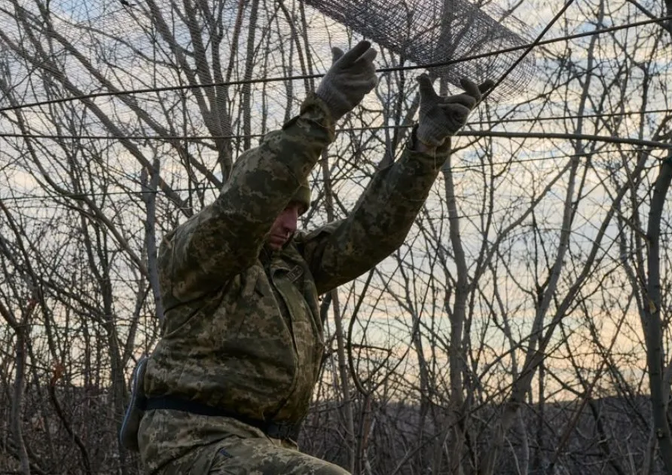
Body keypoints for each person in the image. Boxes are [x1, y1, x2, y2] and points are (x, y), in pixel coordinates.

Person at [125, 41, 492, 474]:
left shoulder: (292, 266)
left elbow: (370, 233)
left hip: (263, 445)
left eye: (298, 212)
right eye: (282, 208)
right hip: (189, 441)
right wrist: (324, 111)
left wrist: (424, 150)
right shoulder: (198, 254)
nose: (291, 223)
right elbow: (246, 204)